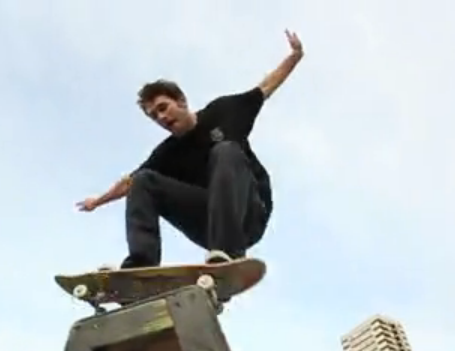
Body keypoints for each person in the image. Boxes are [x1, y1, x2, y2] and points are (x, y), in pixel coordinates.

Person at [75, 30, 306, 269]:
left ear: (182, 101)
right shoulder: (167, 154)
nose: (161, 117)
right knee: (143, 181)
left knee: (225, 151)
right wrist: (98, 201)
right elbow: (128, 183)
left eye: (163, 108)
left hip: (249, 213)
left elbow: (265, 87)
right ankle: (141, 265)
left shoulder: (224, 111)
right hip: (208, 224)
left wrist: (295, 55)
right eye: (154, 116)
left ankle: (229, 253)